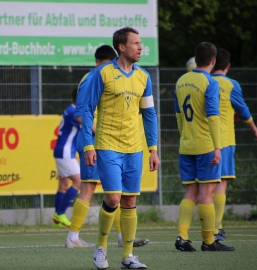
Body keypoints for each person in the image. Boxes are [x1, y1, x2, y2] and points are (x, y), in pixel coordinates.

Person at [81, 27, 160, 269]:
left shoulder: (144, 77)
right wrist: (88, 145)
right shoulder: (102, 73)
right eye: (135, 43)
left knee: (129, 201)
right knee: (113, 198)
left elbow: (149, 114)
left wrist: (153, 148)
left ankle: (127, 257)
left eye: (141, 43)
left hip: (135, 148)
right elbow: (86, 110)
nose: (140, 47)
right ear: (122, 47)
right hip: (107, 145)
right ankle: (101, 248)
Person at [65, 44, 149, 249]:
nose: (110, 68)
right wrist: (98, 131)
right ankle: (72, 236)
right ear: (97, 63)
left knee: (116, 191)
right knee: (89, 187)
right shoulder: (92, 79)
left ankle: (122, 237)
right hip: (94, 142)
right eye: (106, 63)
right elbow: (80, 114)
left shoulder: (112, 76)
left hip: (110, 142)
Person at [174, 42, 235, 252]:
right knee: (207, 193)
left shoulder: (181, 80)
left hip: (186, 145)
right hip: (206, 146)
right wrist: (218, 147)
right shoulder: (210, 82)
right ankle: (209, 241)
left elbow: (178, 116)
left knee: (191, 191)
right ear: (213, 61)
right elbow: (212, 116)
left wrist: (185, 136)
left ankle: (182, 236)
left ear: (196, 58)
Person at [211, 49, 257, 240]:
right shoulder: (230, 84)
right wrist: (255, 129)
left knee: (206, 186)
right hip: (223, 140)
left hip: (203, 139)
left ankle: (207, 227)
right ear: (228, 66)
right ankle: (217, 227)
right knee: (221, 183)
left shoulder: (205, 81)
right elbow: (243, 110)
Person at [52, 89, 81, 228]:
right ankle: (61, 214)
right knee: (78, 182)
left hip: (62, 150)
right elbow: (91, 128)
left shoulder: (70, 109)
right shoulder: (75, 112)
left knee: (63, 185)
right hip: (65, 152)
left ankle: (57, 218)